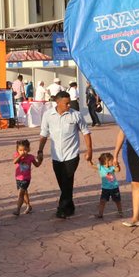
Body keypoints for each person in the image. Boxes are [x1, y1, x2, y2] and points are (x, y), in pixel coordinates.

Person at [37, 91, 93, 219]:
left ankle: (61, 209)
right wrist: (40, 151)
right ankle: (70, 206)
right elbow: (44, 134)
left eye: (69, 103)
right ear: (57, 102)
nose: (69, 105)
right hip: (56, 156)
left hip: (71, 154)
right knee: (63, 183)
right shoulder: (48, 115)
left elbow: (86, 132)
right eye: (66, 103)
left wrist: (89, 150)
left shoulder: (76, 115)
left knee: (67, 180)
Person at [12, 139, 42, 216]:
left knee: (20, 194)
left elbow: (37, 165)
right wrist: (20, 155)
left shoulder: (30, 157)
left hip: (26, 179)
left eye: (25, 150)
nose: (23, 151)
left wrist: (40, 160)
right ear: (17, 150)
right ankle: (28, 206)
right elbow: (14, 162)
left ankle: (17, 209)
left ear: (28, 149)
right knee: (24, 193)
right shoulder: (17, 155)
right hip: (18, 178)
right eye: (20, 150)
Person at [94, 152, 123, 219]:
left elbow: (118, 170)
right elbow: (92, 165)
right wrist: (89, 160)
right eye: (111, 160)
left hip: (114, 187)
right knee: (102, 201)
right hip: (105, 188)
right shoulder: (100, 167)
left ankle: (120, 212)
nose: (113, 161)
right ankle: (100, 214)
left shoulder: (112, 167)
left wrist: (117, 165)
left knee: (117, 201)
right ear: (106, 161)